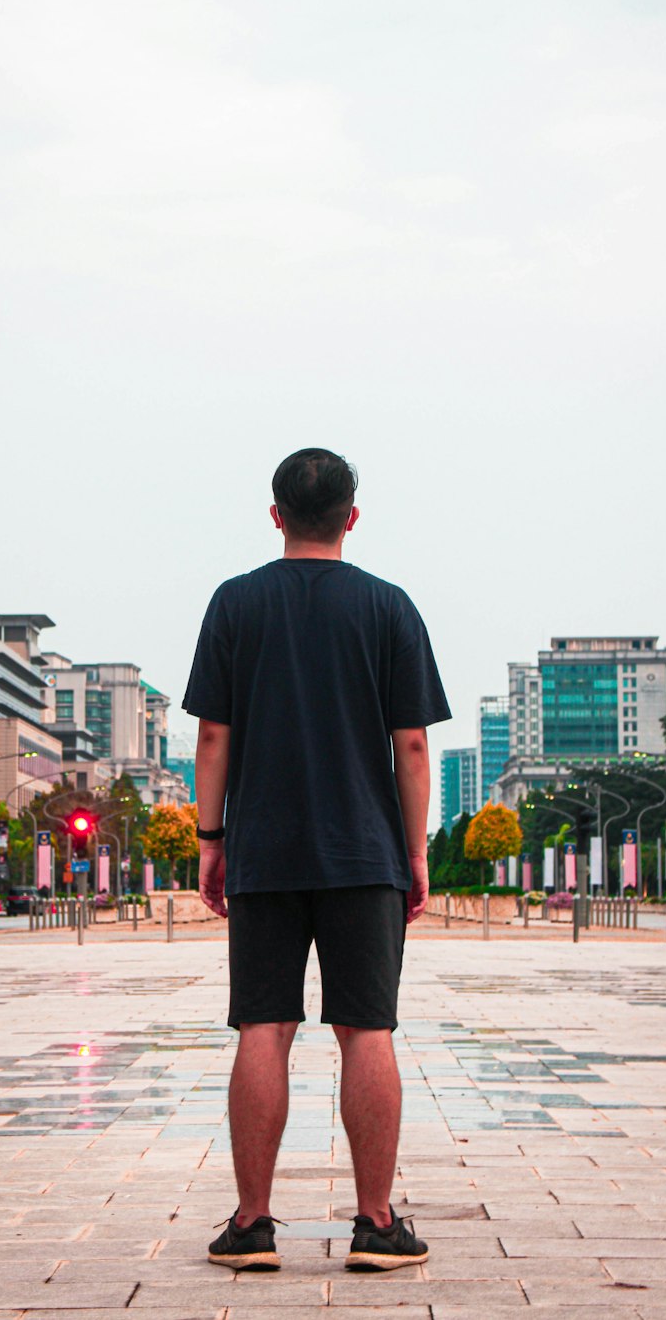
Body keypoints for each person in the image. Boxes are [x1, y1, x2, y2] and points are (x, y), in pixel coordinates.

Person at [183, 447, 450, 1272]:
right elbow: (410, 744)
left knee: (263, 1026)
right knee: (366, 1030)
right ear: (352, 518)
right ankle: (374, 1225)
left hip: (262, 848)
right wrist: (414, 851)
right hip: (364, 853)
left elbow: (213, 735)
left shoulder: (236, 603)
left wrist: (210, 838)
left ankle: (253, 1227)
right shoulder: (389, 608)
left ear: (275, 516)